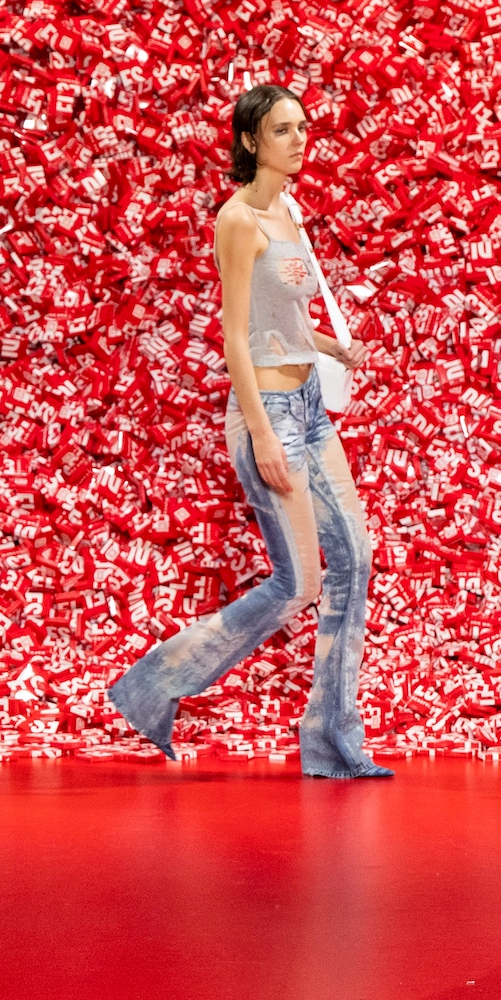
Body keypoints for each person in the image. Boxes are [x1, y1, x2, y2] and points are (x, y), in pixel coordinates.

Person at [107, 85, 390, 778]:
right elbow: (235, 337)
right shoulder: (238, 221)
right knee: (297, 583)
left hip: (308, 407)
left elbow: (283, 321)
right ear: (250, 142)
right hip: (266, 413)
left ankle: (330, 740)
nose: (299, 140)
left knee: (355, 557)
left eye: (302, 127)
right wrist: (262, 433)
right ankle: (153, 683)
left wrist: (329, 346)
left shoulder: (288, 212)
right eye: (283, 130)